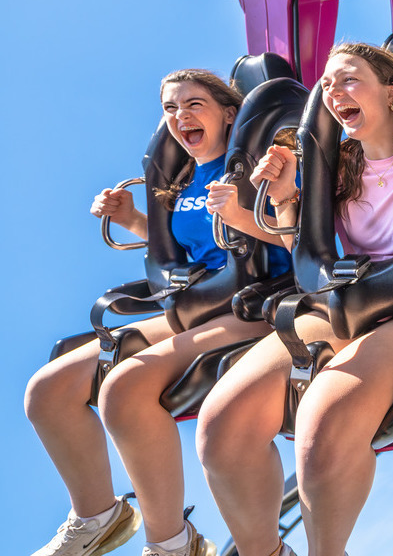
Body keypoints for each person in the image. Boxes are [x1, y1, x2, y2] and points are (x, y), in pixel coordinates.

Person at [196, 42, 393, 556]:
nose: (334, 90)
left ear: (392, 92)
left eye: (349, 79)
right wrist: (286, 197)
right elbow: (308, 259)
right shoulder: (338, 171)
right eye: (327, 84)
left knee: (321, 420)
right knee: (221, 423)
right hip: (345, 307)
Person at [26, 69, 290, 556]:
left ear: (228, 113)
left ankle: (170, 543)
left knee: (124, 390)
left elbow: (300, 240)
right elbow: (182, 254)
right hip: (193, 303)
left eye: (193, 105)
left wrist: (247, 219)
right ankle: (98, 516)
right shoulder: (184, 181)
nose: (180, 116)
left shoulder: (258, 168)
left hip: (253, 304)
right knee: (48, 391)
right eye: (170, 108)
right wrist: (129, 219)